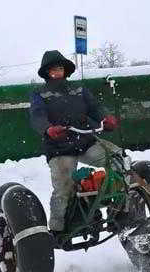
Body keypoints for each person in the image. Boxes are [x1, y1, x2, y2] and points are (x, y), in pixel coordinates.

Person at [29, 50, 121, 233]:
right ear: (47, 72)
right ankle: (57, 229)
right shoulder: (39, 94)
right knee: (64, 186)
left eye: (60, 68)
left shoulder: (79, 89)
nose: (57, 72)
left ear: (65, 70)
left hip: (85, 142)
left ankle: (119, 209)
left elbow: (95, 108)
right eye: (53, 69)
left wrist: (105, 118)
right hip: (59, 148)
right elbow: (37, 115)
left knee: (118, 159)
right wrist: (48, 129)